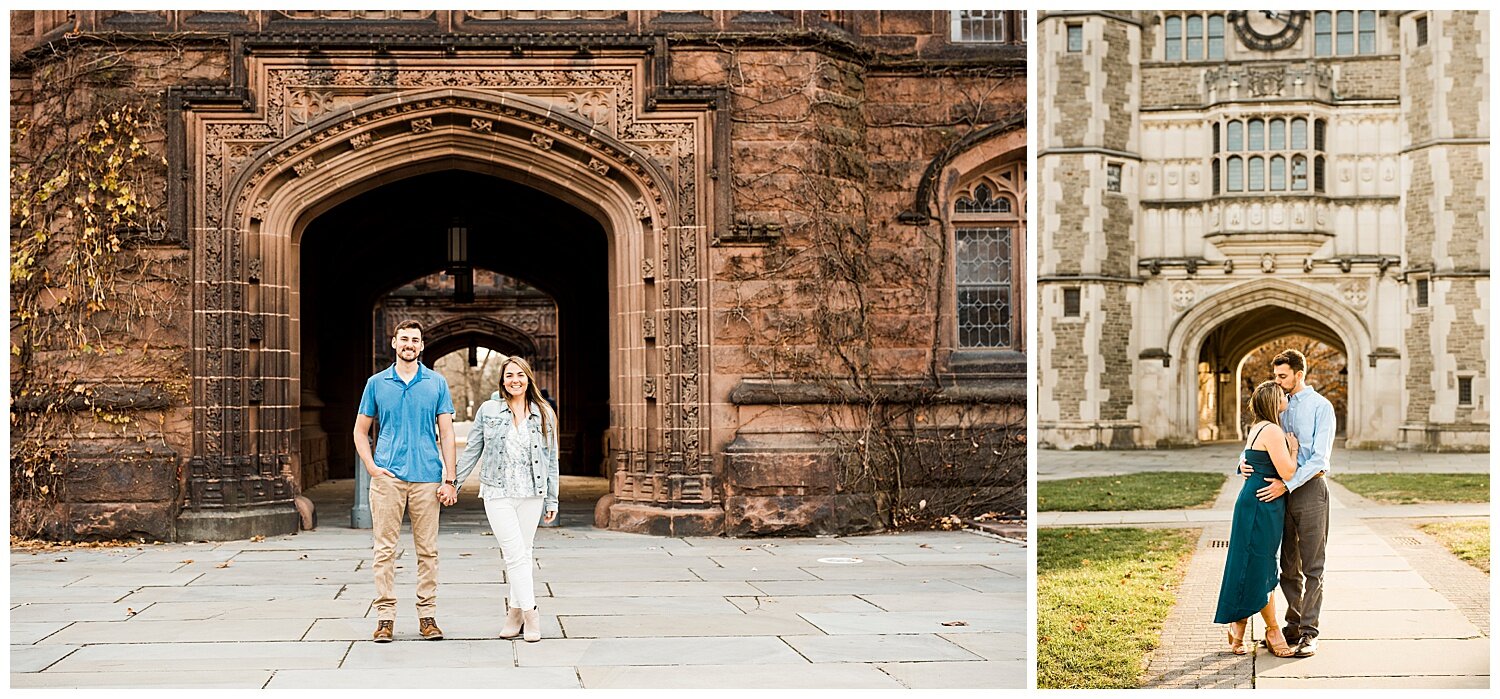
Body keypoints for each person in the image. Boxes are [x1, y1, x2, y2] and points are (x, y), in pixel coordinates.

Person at [353, 320, 458, 643]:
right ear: (394, 343)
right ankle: (385, 618)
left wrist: (450, 479)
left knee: (428, 551)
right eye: (404, 339)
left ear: (422, 346)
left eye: (415, 340)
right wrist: (371, 467)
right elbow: (360, 430)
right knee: (384, 550)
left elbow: (448, 433)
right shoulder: (376, 383)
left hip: (427, 478)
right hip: (388, 478)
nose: (409, 344)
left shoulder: (437, 383)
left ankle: (427, 617)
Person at [453, 355, 559, 642]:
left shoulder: (544, 413)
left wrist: (552, 499)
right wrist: (454, 484)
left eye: (520, 375)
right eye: (509, 375)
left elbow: (551, 459)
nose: (515, 380)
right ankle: (532, 614)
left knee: (524, 554)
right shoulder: (489, 410)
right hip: (497, 491)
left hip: (531, 492)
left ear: (528, 379)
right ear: (502, 380)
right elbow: (473, 450)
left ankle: (514, 613)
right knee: (514, 555)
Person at [1215, 381, 1299, 657]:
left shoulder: (1257, 428)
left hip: (1256, 501)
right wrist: (1294, 450)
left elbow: (1254, 459)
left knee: (1250, 564)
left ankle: (1238, 626)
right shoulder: (1274, 431)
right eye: (1281, 395)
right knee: (1261, 566)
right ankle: (1272, 630)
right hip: (1262, 504)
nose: (1286, 397)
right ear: (1274, 403)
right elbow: (1287, 471)